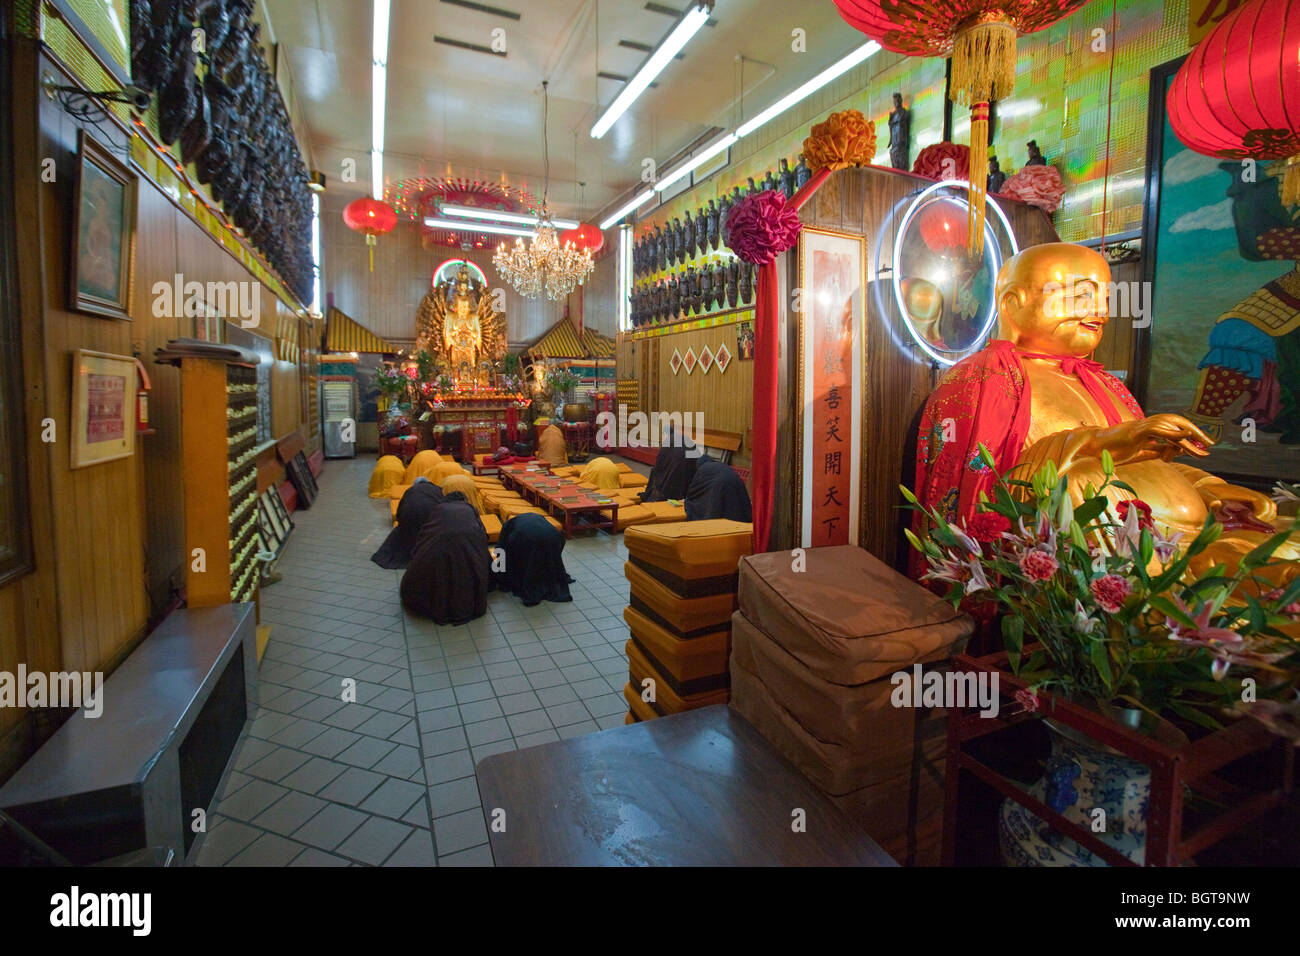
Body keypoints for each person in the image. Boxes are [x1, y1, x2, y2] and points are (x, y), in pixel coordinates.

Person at [400, 495, 491, 624]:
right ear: (464, 500)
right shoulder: (470, 508)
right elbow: (482, 532)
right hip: (468, 547)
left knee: (440, 571)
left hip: (438, 546)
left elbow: (426, 530)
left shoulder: (438, 508)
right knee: (468, 568)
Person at [494, 513, 574, 606]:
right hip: (554, 535)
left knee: (529, 559)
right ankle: (545, 575)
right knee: (546, 555)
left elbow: (501, 550)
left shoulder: (507, 527)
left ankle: (533, 580)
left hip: (528, 538)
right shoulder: (535, 517)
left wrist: (500, 575)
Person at [371, 477, 444, 570]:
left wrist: (400, 520)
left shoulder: (410, 490)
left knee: (403, 532)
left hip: (409, 515)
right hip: (429, 515)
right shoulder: (437, 489)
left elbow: (401, 506)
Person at [683, 455, 752, 522]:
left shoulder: (702, 470)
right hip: (734, 485)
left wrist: (687, 501)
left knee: (716, 508)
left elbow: (693, 492)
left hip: (720, 486)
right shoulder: (719, 466)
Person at [642, 427, 699, 502]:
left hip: (680, 460)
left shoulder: (668, 440)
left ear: (665, 434)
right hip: (693, 460)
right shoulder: (681, 437)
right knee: (684, 477)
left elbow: (660, 462)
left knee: (668, 476)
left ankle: (666, 498)